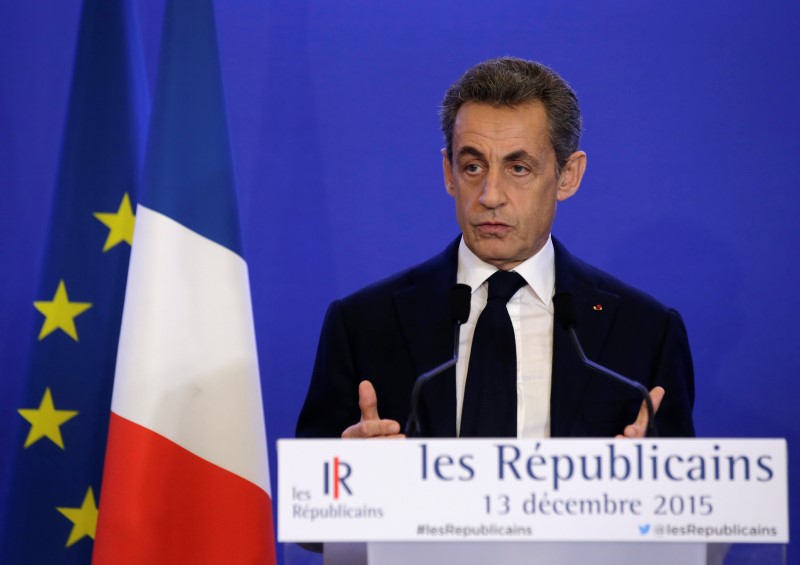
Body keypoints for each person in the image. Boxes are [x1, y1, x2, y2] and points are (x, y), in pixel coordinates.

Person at [296, 57, 695, 441]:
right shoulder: (363, 325)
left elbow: (684, 503)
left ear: (567, 176)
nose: (490, 195)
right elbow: (314, 483)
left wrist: (648, 479)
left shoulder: (645, 333)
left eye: (518, 168)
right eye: (473, 167)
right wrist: (345, 464)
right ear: (449, 173)